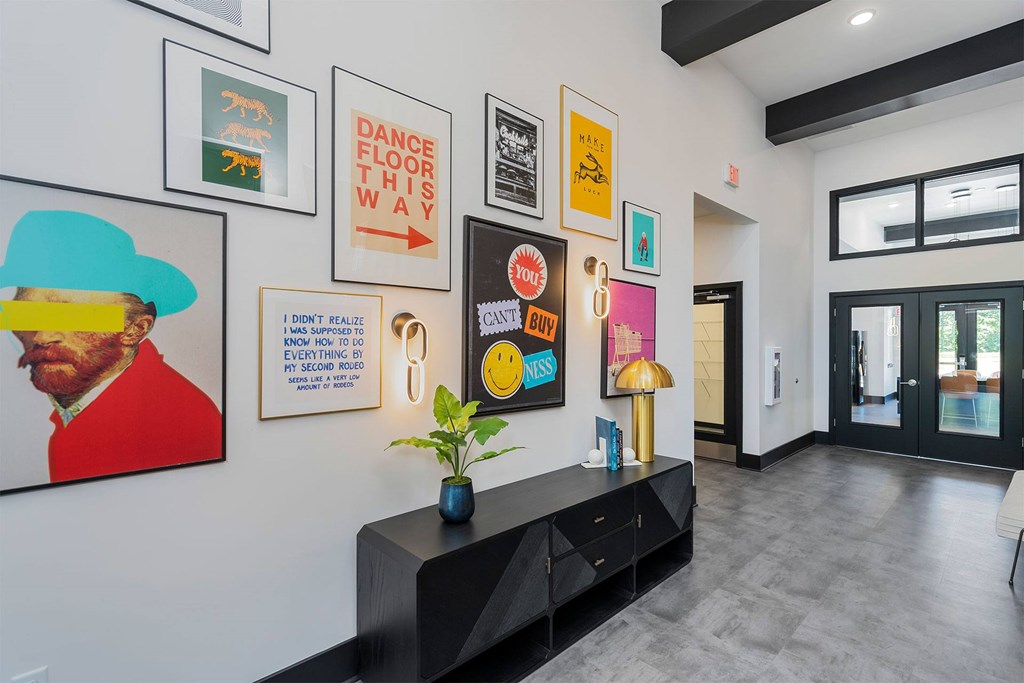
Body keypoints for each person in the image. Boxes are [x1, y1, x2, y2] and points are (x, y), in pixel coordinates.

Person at [1, 210, 222, 483]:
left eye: (73, 316)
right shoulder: (77, 405)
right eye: (26, 316)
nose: (42, 336)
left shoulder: (185, 420)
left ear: (134, 329)